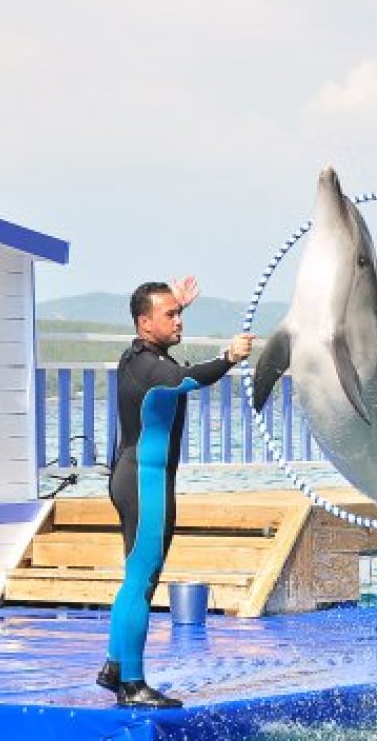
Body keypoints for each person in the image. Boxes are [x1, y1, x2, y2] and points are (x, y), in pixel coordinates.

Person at [96, 278, 254, 707]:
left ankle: (114, 666)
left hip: (131, 476)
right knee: (141, 580)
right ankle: (133, 684)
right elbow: (187, 380)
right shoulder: (152, 367)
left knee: (136, 577)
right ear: (145, 324)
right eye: (171, 315)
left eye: (180, 312)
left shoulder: (139, 355)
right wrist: (229, 357)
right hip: (146, 483)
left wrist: (174, 303)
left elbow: (168, 352)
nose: (179, 319)